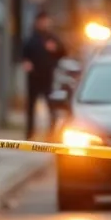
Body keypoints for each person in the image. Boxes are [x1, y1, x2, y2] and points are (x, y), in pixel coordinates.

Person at [21, 10, 66, 140]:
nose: (43, 23)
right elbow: (24, 53)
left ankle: (52, 133)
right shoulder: (32, 38)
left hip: (48, 76)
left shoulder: (52, 38)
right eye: (41, 21)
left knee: (51, 106)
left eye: (45, 21)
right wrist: (26, 63)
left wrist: (55, 50)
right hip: (33, 77)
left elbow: (63, 52)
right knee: (31, 106)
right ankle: (29, 133)